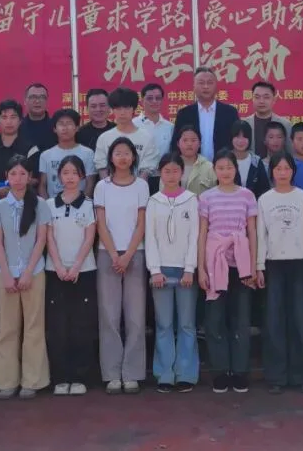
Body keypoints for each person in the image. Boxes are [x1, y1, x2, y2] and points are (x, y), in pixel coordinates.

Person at [256, 152, 303, 393]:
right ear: (271, 172)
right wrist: (259, 266)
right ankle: (276, 376)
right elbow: (260, 235)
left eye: (286, 168)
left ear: (293, 171)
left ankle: (302, 375)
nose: (282, 173)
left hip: (299, 263)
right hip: (274, 265)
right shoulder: (264, 199)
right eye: (278, 168)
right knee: (275, 320)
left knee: (299, 319)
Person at [0, 156, 51, 400]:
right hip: (5, 274)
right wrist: (6, 274)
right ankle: (7, 380)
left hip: (33, 272)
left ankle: (32, 380)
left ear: (30, 177)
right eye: (13, 174)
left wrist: (27, 272)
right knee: (7, 327)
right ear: (6, 176)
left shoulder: (41, 205)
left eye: (22, 174)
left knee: (34, 327)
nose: (17, 179)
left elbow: (41, 240)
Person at [198, 150, 258, 394]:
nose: (225, 172)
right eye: (220, 168)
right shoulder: (206, 197)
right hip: (214, 265)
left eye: (229, 167)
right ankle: (220, 371)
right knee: (215, 321)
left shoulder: (247, 195)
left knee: (241, 321)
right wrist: (201, 269)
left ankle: (240, 372)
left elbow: (252, 232)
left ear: (236, 170)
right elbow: (202, 233)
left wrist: (253, 266)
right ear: (214, 170)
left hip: (241, 265)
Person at [93, 137, 149, 394]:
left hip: (135, 253)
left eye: (127, 153)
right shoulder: (102, 186)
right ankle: (112, 373)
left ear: (133, 157)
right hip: (108, 253)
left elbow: (141, 223)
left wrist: (127, 256)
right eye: (118, 153)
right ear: (111, 158)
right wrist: (115, 254)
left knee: (136, 316)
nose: (123, 157)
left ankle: (133, 372)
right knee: (109, 315)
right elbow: (101, 223)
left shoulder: (141, 185)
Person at [145, 153, 200, 393]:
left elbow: (194, 237)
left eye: (175, 171)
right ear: (160, 173)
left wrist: (189, 269)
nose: (170, 175)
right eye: (166, 171)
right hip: (161, 271)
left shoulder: (191, 200)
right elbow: (150, 238)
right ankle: (165, 373)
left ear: (181, 173)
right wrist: (155, 270)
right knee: (164, 323)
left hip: (185, 270)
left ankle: (186, 373)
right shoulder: (154, 201)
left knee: (186, 324)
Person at [44, 156, 97, 396]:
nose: (70, 177)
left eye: (75, 173)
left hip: (83, 271)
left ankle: (79, 377)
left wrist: (75, 267)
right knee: (58, 325)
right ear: (59, 177)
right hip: (55, 271)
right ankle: (60, 377)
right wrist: (58, 265)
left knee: (80, 325)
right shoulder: (49, 204)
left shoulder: (88, 204)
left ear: (82, 176)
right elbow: (48, 238)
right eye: (65, 172)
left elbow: (89, 237)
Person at [171, 67, 241, 159]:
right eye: (201, 83)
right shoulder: (184, 114)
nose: (206, 86)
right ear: (194, 87)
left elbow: (237, 142)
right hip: (192, 165)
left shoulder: (230, 112)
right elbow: (175, 145)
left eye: (210, 83)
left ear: (216, 86)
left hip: (223, 165)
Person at [94, 87, 160, 180]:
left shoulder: (146, 138)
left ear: (134, 109)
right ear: (112, 110)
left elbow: (147, 169)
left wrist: (136, 186)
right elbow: (102, 168)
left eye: (126, 108)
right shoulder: (104, 138)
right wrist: (109, 186)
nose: (122, 113)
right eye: (118, 108)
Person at [38, 108, 97, 198]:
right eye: (61, 124)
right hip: (53, 204)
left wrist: (83, 203)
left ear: (77, 128)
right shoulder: (46, 155)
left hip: (80, 204)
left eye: (69, 123)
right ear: (54, 129)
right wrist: (47, 205)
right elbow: (42, 185)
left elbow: (90, 183)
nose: (65, 128)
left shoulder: (88, 153)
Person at [0, 99, 38, 191]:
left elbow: (36, 179)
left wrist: (13, 186)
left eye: (13, 117)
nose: (9, 122)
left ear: (20, 120)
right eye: (4, 117)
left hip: (23, 197)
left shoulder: (31, 149)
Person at [243, 81, 292, 159]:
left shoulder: (285, 124)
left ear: (274, 99)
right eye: (257, 97)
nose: (261, 101)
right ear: (252, 99)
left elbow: (290, 153)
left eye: (266, 97)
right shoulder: (245, 123)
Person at [136, 82, 175, 168]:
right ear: (142, 101)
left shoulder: (170, 127)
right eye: (150, 98)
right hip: (138, 174)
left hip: (163, 174)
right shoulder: (133, 124)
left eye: (158, 98)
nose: (154, 101)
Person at [177, 124, 216, 194]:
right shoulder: (170, 165)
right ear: (178, 144)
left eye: (193, 140)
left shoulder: (209, 167)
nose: (189, 144)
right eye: (185, 140)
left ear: (200, 144)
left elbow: (215, 193)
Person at [19, 82, 57, 153]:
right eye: (33, 97)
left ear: (47, 101)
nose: (37, 101)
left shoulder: (56, 128)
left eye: (42, 97)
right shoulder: (17, 128)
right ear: (25, 101)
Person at [255, 121, 289, 193]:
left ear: (285, 140)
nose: (275, 141)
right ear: (264, 140)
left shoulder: (290, 164)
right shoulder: (259, 165)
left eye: (279, 137)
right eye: (271, 137)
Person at [230, 120, 262, 195]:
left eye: (244, 137)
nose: (240, 141)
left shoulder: (256, 161)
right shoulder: (224, 159)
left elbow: (263, 189)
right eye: (237, 136)